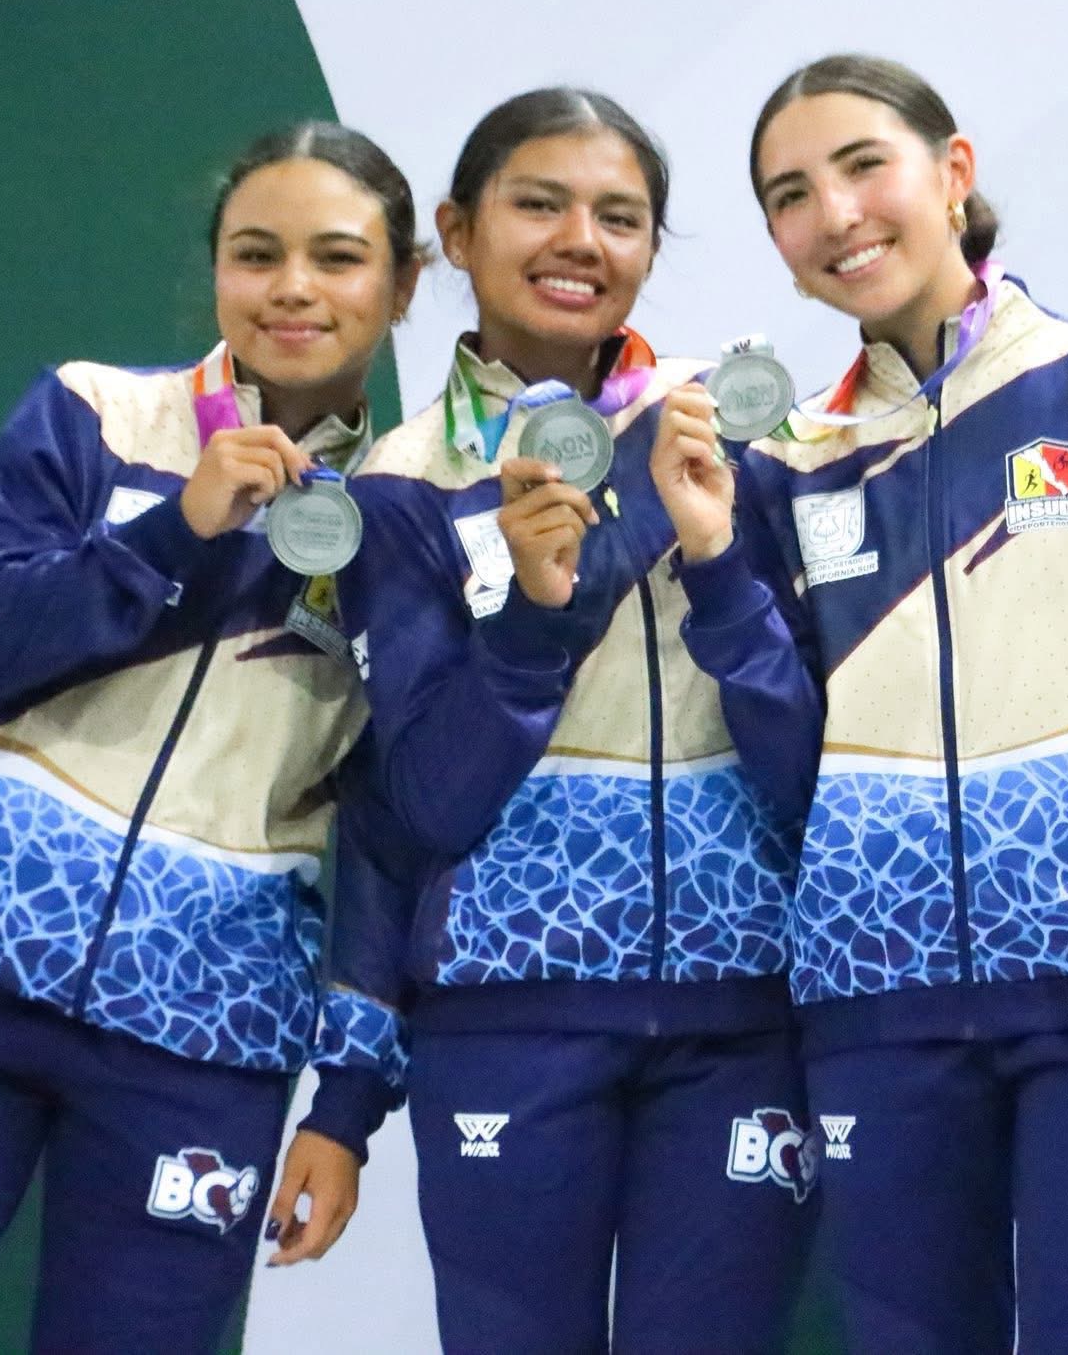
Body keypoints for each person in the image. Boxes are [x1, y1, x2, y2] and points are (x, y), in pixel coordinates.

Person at [0, 120, 425, 1353]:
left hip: (202, 1025)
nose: (291, 287)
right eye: (256, 254)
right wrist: (176, 530)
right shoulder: (95, 411)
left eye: (338, 258)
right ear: (216, 269)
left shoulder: (410, 512)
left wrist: (347, 1094)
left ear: (400, 285)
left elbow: (397, 829)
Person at [651, 54, 1068, 1352]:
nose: (834, 213)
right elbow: (788, 768)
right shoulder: (791, 464)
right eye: (789, 195)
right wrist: (712, 556)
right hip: (874, 1013)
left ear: (953, 172)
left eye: (861, 165)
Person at [338, 87, 812, 1352]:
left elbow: (815, 761)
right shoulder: (402, 483)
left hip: (740, 1016)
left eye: (619, 216)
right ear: (456, 231)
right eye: (538, 204)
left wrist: (704, 541)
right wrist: (540, 613)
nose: (579, 242)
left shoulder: (745, 437)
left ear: (652, 246)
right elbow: (425, 802)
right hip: (507, 1021)